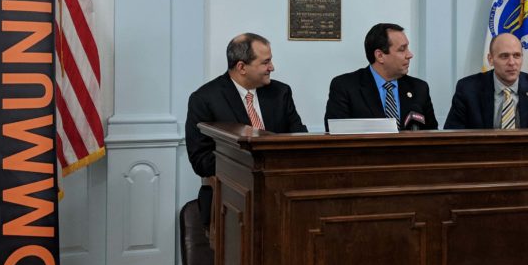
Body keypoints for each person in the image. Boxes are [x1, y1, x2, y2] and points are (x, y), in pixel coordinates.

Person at [186, 33, 307, 225]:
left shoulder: (280, 93)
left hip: (281, 197)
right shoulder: (205, 99)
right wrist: (254, 168)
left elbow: (298, 137)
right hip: (229, 201)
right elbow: (201, 160)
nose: (272, 67)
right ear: (242, 67)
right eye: (265, 62)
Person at [325, 22, 438, 130]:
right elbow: (336, 137)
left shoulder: (419, 88)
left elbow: (433, 137)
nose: (409, 55)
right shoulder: (345, 87)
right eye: (402, 49)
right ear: (380, 56)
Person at [444, 31, 528, 129]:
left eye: (517, 55)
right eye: (504, 56)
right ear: (490, 59)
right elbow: (453, 135)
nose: (512, 62)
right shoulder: (467, 89)